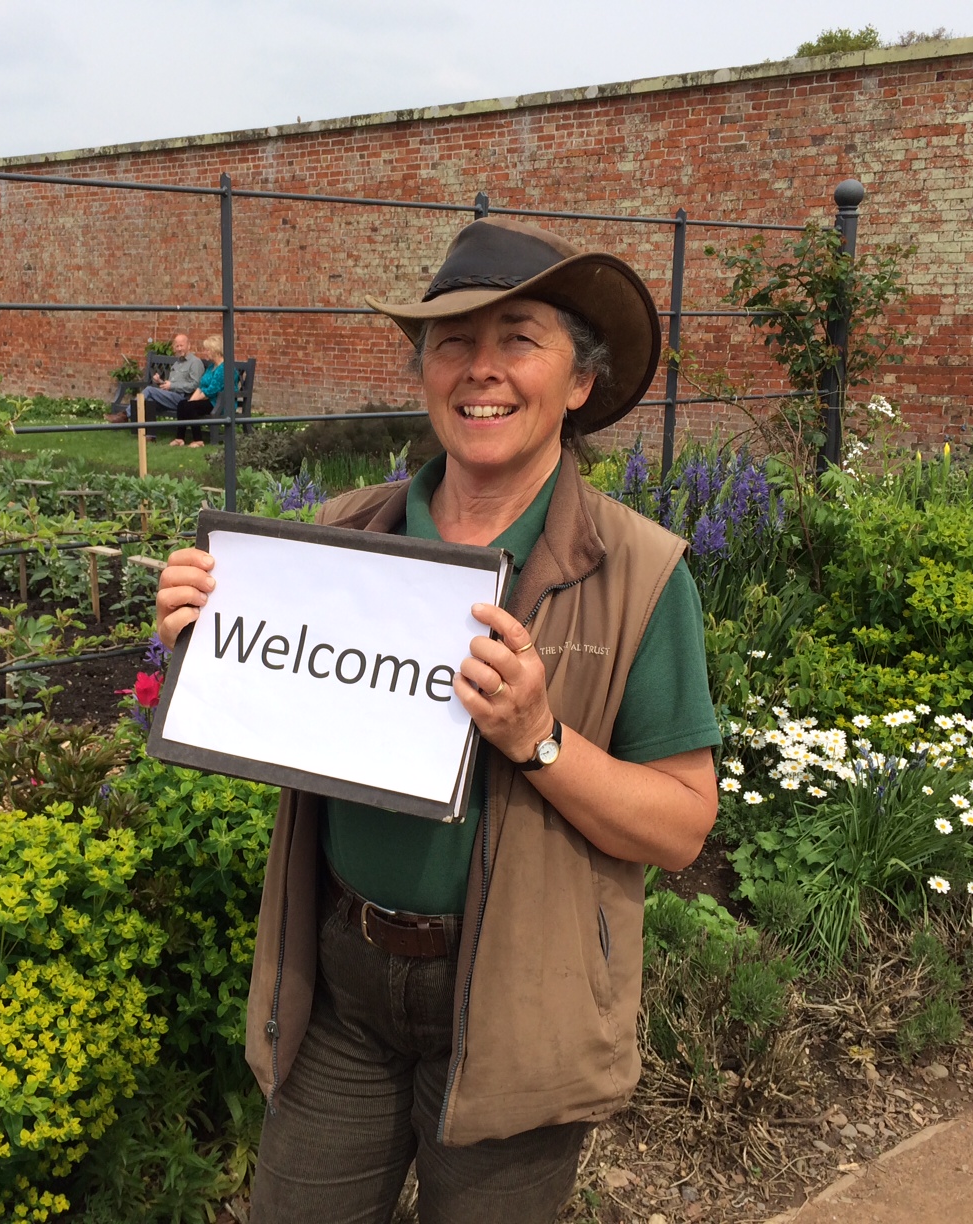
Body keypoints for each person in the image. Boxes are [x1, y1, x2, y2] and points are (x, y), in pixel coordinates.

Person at [154, 217, 721, 1223]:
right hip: (342, 987)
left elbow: (680, 828)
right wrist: (204, 635)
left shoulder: (640, 574)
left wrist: (538, 739)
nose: (480, 370)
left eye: (519, 338)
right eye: (453, 340)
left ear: (579, 383)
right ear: (424, 372)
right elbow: (273, 709)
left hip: (521, 1007)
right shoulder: (345, 536)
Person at [106, 332, 203, 428]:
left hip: (184, 400)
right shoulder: (177, 363)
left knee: (149, 390)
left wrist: (172, 386)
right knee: (148, 401)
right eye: (177, 346)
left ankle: (125, 416)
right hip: (171, 396)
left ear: (189, 346)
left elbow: (195, 385)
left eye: (182, 345)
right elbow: (172, 384)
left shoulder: (195, 362)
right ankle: (149, 435)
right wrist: (161, 382)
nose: (179, 349)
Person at [170, 335, 227, 447]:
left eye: (207, 350)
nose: (205, 352)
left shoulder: (224, 368)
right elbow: (201, 386)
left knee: (190, 406)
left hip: (220, 402)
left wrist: (191, 403)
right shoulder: (211, 367)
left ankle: (198, 440)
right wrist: (191, 401)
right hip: (209, 400)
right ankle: (179, 438)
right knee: (183, 404)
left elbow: (211, 391)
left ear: (215, 350)